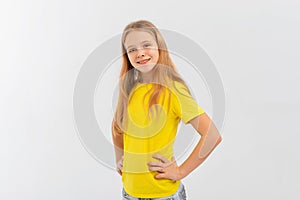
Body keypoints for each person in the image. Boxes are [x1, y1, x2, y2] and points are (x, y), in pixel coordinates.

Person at [111, 20, 222, 200]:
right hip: (129, 193)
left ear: (159, 47)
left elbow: (212, 135)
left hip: (163, 195)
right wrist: (120, 158)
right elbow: (116, 128)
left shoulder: (173, 90)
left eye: (146, 45)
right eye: (132, 49)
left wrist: (180, 171)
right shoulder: (129, 89)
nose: (140, 53)